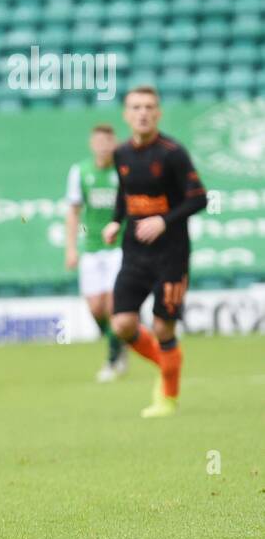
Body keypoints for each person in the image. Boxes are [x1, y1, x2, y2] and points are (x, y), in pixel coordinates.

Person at [102, 85, 207, 418]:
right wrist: (116, 221)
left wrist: (165, 220)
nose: (142, 113)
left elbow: (199, 198)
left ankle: (168, 397)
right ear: (126, 115)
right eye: (136, 107)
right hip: (134, 253)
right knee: (121, 324)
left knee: (163, 328)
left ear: (158, 113)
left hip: (171, 254)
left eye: (149, 107)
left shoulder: (173, 153)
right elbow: (124, 191)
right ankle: (167, 366)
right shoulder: (121, 154)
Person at [65, 124, 128, 382]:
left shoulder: (124, 170)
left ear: (114, 143)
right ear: (92, 144)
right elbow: (73, 211)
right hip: (90, 247)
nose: (103, 146)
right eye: (99, 141)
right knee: (95, 308)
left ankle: (112, 361)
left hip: (119, 246)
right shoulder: (80, 172)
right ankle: (119, 341)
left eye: (108, 141)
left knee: (114, 304)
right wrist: (70, 247)